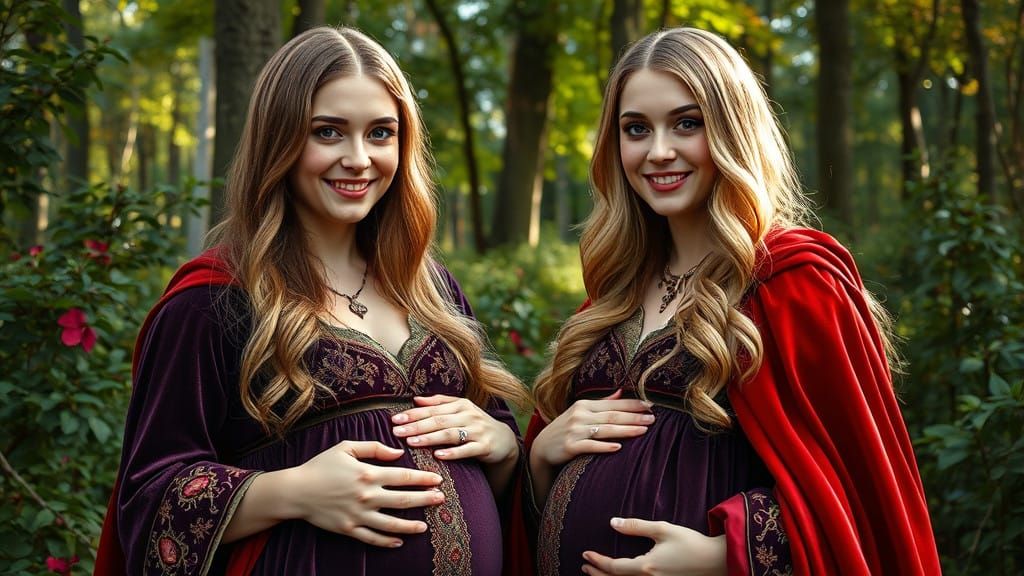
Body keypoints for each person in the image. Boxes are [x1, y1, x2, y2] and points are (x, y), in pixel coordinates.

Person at [93, 26, 527, 575]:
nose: (359, 158)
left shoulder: (433, 290)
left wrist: (503, 446)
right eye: (328, 132)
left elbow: (501, 462)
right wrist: (293, 491)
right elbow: (148, 501)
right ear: (280, 140)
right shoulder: (213, 301)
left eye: (380, 133)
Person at [522, 27, 941, 575]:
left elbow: (856, 502)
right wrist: (540, 456)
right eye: (636, 129)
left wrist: (726, 556)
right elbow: (537, 498)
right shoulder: (610, 297)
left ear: (731, 129)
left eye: (687, 123)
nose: (659, 151)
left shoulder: (797, 284)